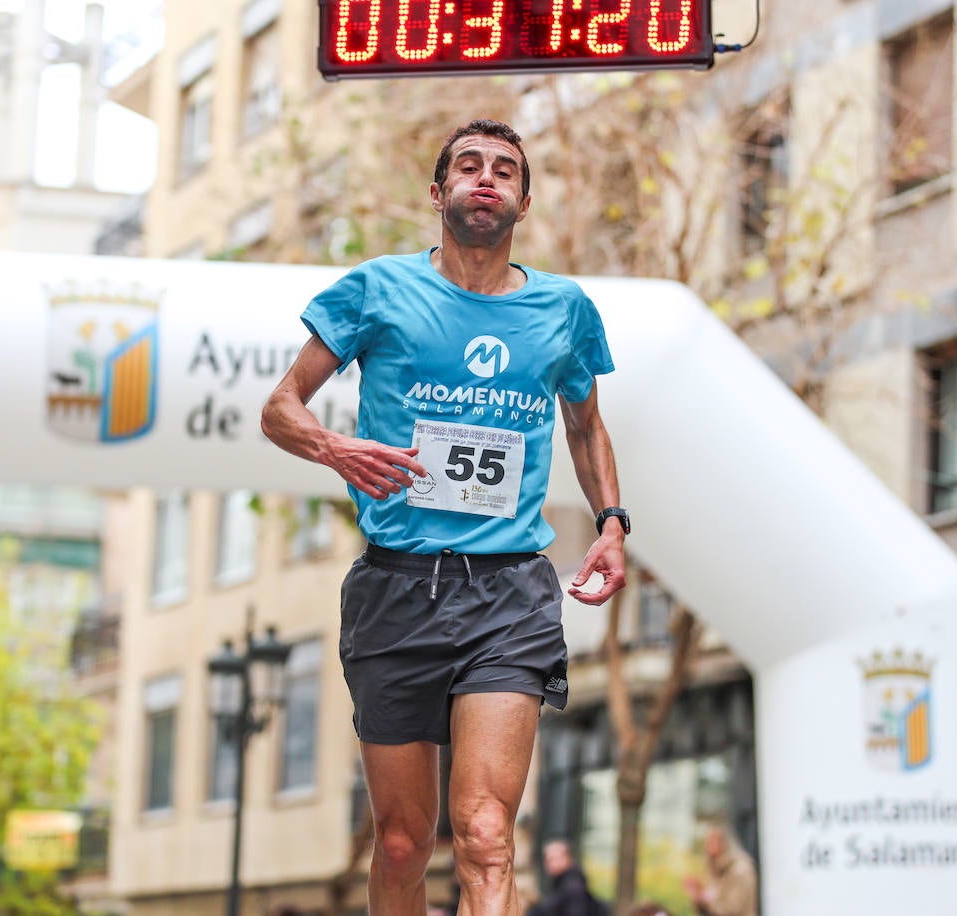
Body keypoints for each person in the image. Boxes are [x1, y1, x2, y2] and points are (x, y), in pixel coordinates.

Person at [261, 119, 628, 916]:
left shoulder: (564, 311)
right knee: (400, 841)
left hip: (510, 597)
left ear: (523, 201)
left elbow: (585, 424)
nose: (486, 178)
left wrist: (611, 522)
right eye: (469, 166)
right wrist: (336, 450)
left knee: (487, 832)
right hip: (396, 591)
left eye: (504, 169)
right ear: (440, 193)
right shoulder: (377, 290)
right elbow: (279, 408)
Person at [681, 825, 759, 916]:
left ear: (723, 843)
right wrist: (699, 894)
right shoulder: (715, 867)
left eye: (711, 841)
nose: (707, 846)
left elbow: (732, 909)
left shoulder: (740, 869)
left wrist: (703, 899)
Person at [528, 839, 608, 916]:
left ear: (566, 858)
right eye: (547, 860)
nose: (548, 864)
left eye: (553, 859)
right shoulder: (562, 883)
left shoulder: (573, 886)